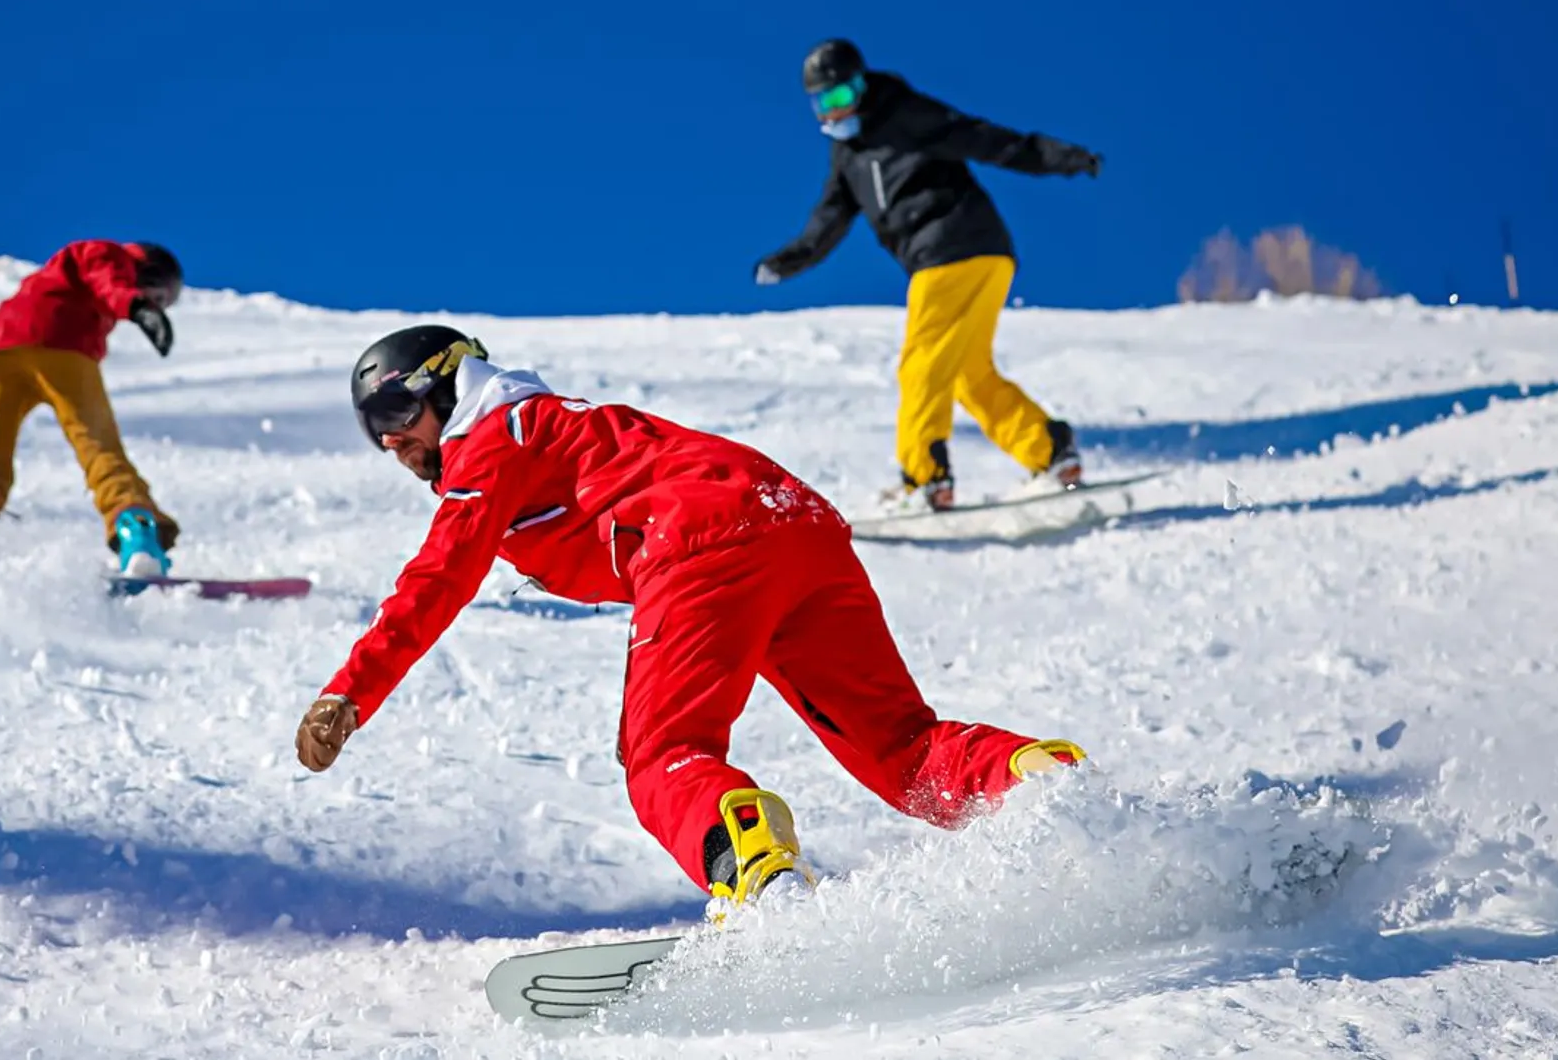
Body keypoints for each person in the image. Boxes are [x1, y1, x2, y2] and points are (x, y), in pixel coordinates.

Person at [293, 324, 1087, 917]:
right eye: (374, 429)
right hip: (794, 521)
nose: (393, 439)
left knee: (665, 760)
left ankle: (762, 880)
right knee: (902, 749)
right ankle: (1043, 790)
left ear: (447, 386)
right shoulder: (552, 430)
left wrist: (350, 692)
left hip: (706, 542)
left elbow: (437, 578)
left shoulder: (492, 438)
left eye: (398, 409)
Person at [754, 37, 1104, 513]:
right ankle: (1051, 453)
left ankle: (925, 478)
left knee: (921, 366)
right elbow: (828, 219)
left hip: (951, 250)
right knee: (966, 371)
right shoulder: (849, 158)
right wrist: (787, 261)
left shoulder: (905, 115)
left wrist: (1060, 157)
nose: (836, 110)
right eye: (825, 101)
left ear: (863, 84)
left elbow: (985, 138)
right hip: (984, 255)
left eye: (843, 95)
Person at [0, 239, 185, 576]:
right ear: (150, 268)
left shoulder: (32, 296)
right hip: (60, 345)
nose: (160, 304)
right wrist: (137, 306)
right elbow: (107, 281)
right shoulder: (109, 254)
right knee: (101, 453)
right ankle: (137, 537)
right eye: (161, 297)